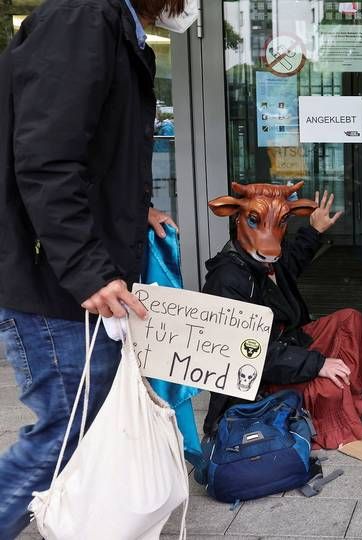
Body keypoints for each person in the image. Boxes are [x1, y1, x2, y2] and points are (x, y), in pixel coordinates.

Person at [0, 0, 194, 536]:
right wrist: (87, 269)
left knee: (87, 423)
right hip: (55, 282)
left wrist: (139, 211)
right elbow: (47, 161)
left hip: (69, 275)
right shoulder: (82, 19)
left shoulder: (113, 29)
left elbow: (93, 156)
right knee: (68, 429)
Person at [201, 183, 362, 449]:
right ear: (237, 217)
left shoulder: (271, 256)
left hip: (291, 343)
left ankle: (342, 385)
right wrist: (317, 364)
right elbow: (247, 353)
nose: (269, 239)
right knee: (330, 388)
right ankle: (335, 395)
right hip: (260, 379)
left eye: (281, 221)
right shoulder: (226, 279)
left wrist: (314, 229)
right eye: (255, 221)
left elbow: (293, 261)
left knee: (351, 319)